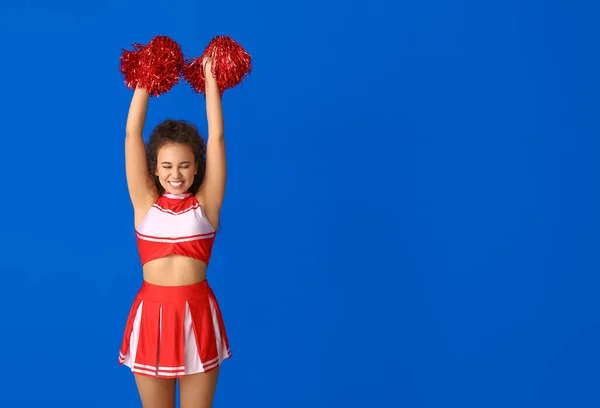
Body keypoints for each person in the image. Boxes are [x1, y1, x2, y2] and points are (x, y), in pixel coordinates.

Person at [118, 56, 231, 408]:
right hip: (150, 315)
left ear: (197, 166)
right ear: (154, 168)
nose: (176, 174)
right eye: (167, 166)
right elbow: (131, 134)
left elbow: (216, 136)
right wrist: (145, 78)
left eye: (184, 165)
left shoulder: (206, 205)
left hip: (197, 315)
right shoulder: (145, 204)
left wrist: (212, 81)